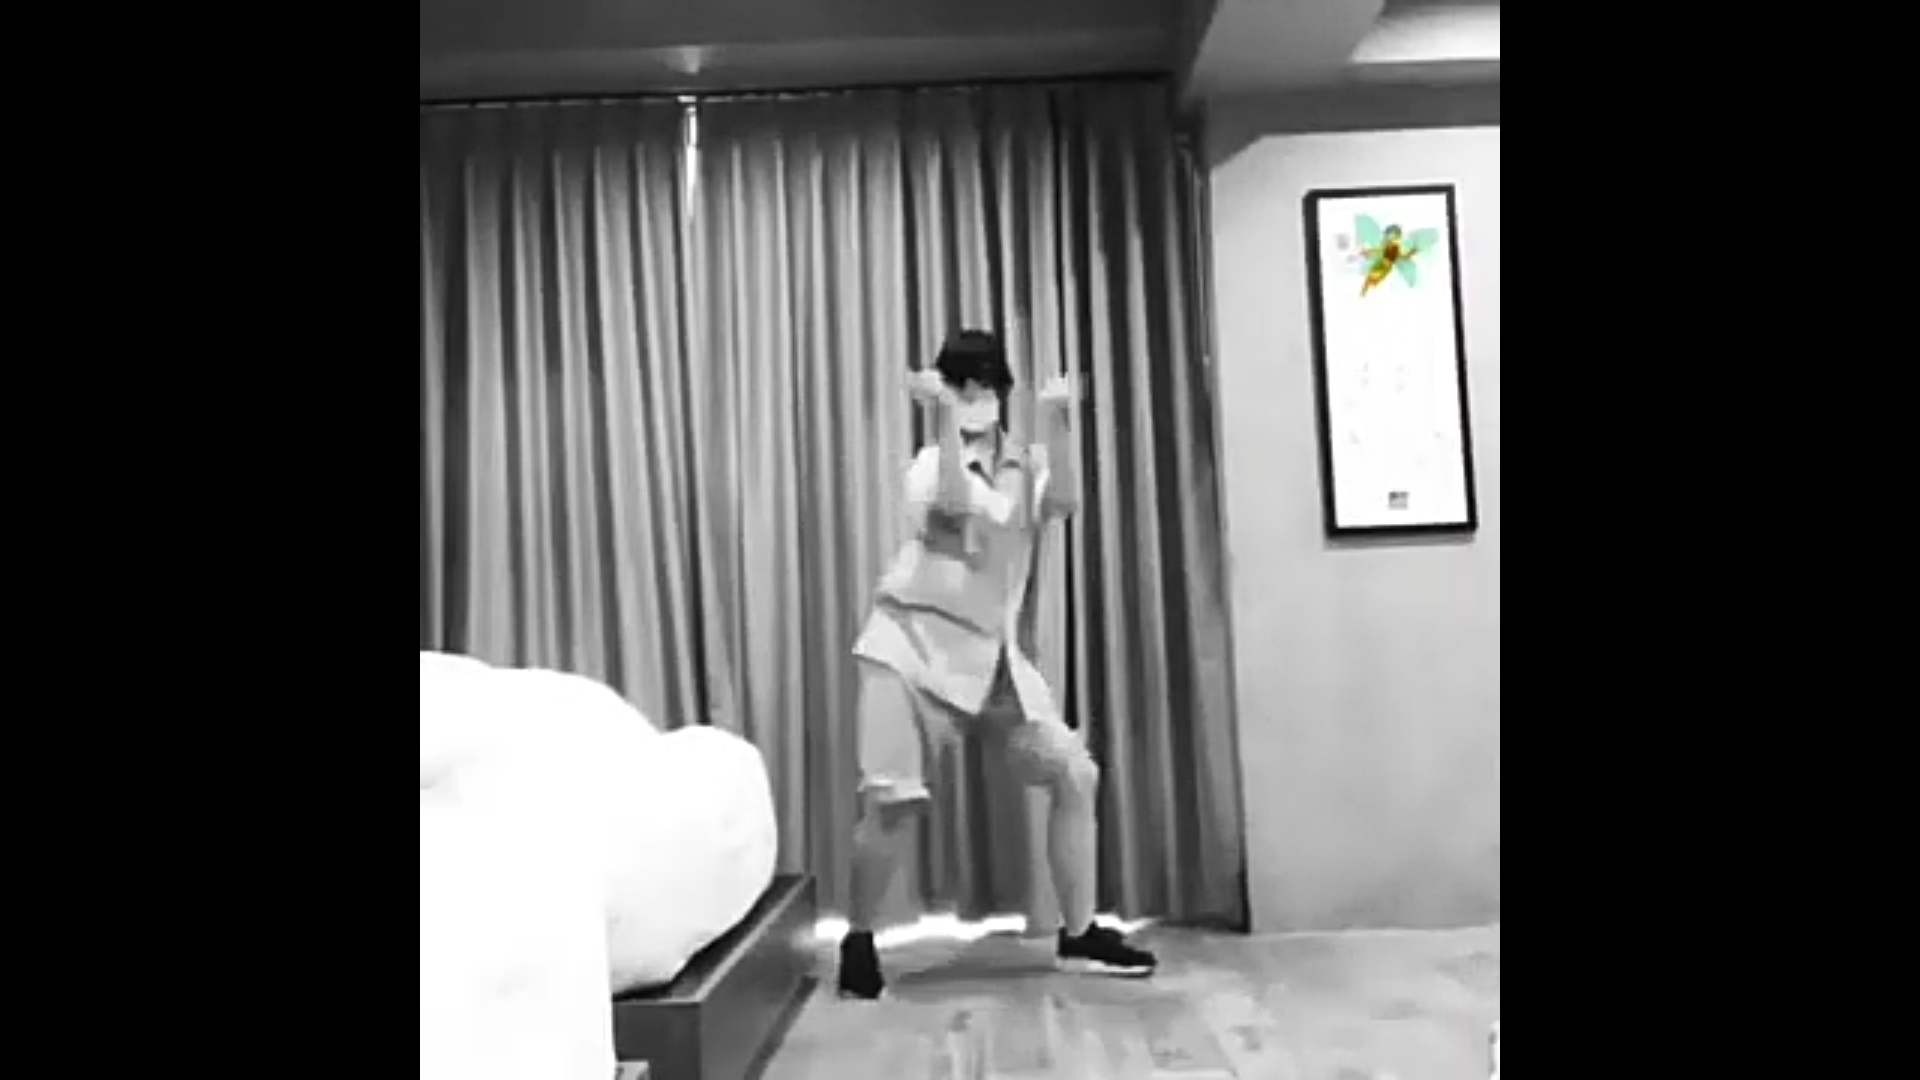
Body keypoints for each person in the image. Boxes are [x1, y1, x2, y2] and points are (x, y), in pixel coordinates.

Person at [836, 329, 1156, 1001]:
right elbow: (955, 506)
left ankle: (1078, 932)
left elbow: (1062, 503)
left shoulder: (1023, 464)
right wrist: (944, 420)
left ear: (1004, 392)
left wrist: (1060, 419)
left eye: (986, 386)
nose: (976, 397)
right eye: (963, 387)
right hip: (909, 650)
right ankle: (858, 938)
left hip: (991, 660)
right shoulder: (929, 463)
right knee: (892, 805)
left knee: (1074, 771)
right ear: (948, 392)